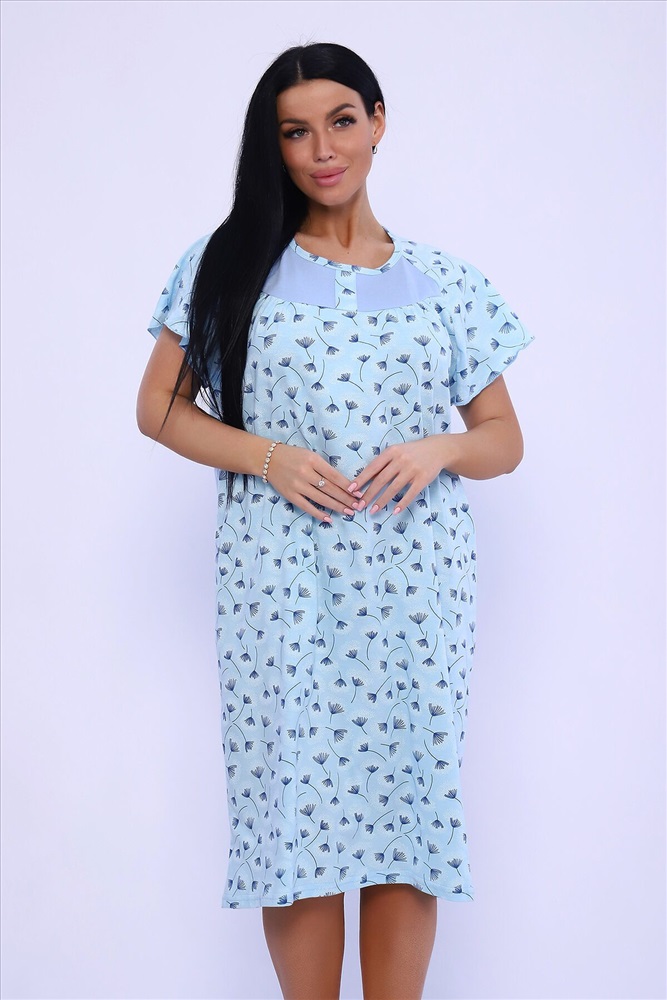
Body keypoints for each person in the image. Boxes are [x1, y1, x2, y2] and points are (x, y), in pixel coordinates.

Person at [137, 41, 534, 1000]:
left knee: (408, 813)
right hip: (281, 585)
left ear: (377, 122)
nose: (322, 149)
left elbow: (503, 440)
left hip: (416, 589)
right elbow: (158, 409)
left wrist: (438, 449)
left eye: (341, 122)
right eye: (295, 131)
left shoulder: (445, 281)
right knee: (296, 815)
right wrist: (266, 457)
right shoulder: (229, 265)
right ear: (271, 146)